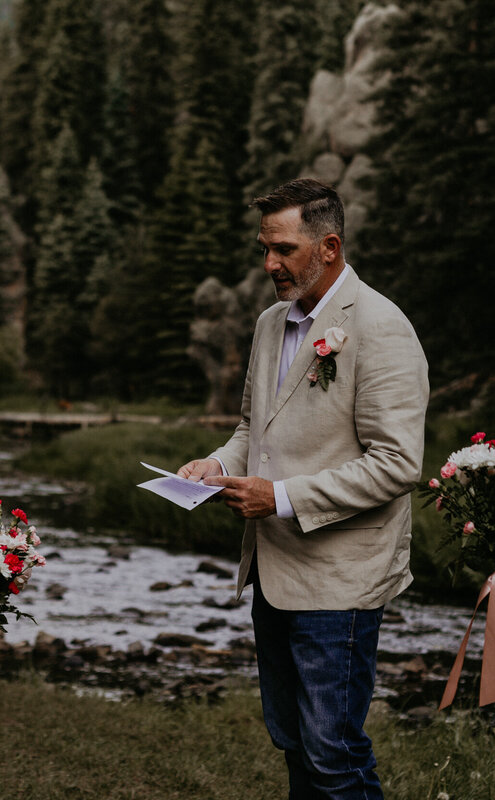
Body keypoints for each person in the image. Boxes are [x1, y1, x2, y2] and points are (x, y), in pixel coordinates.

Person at [177, 178, 429, 799]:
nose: (270, 264)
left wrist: (280, 498)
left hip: (339, 578)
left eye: (284, 249)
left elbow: (398, 464)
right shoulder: (270, 324)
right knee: (295, 744)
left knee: (333, 753)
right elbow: (250, 426)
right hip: (274, 570)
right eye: (265, 248)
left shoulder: (381, 326)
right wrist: (215, 464)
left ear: (330, 246)